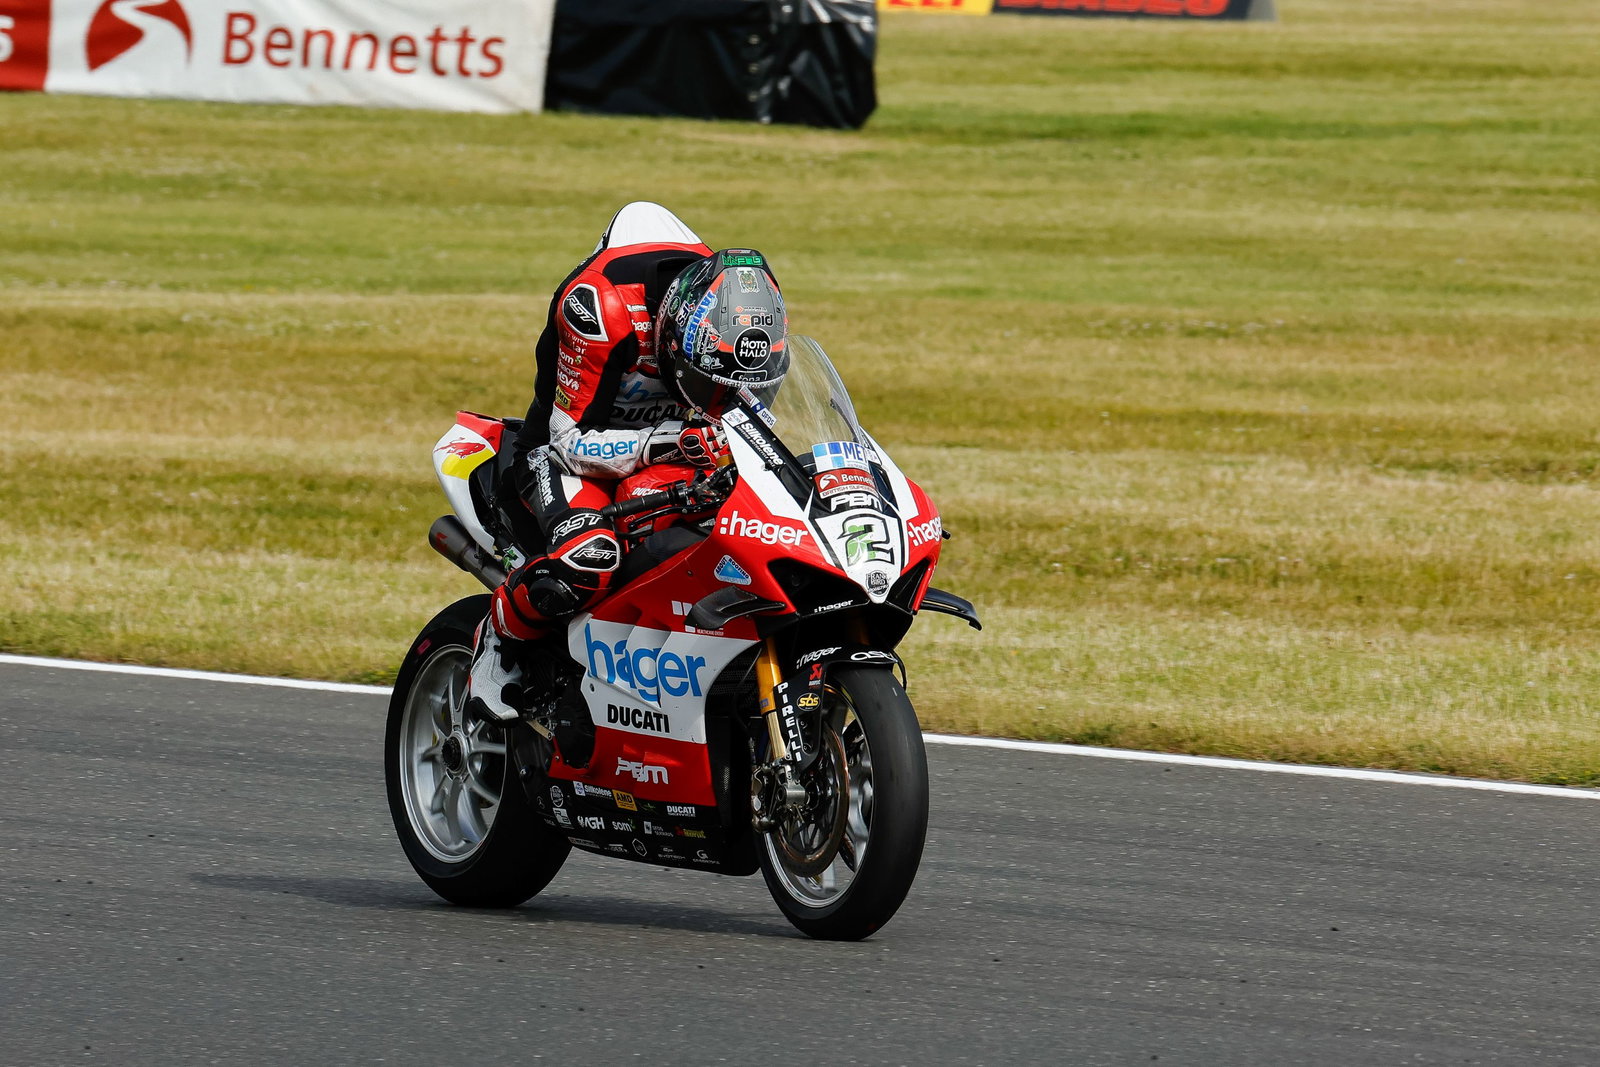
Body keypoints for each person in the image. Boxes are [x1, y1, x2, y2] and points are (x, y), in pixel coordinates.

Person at [464, 202, 790, 754]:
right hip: (564, 450)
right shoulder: (599, 307)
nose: (718, 398)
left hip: (673, 450)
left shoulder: (744, 314)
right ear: (672, 340)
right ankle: (498, 644)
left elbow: (753, 418)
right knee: (588, 556)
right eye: (704, 383)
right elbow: (569, 443)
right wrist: (669, 440)